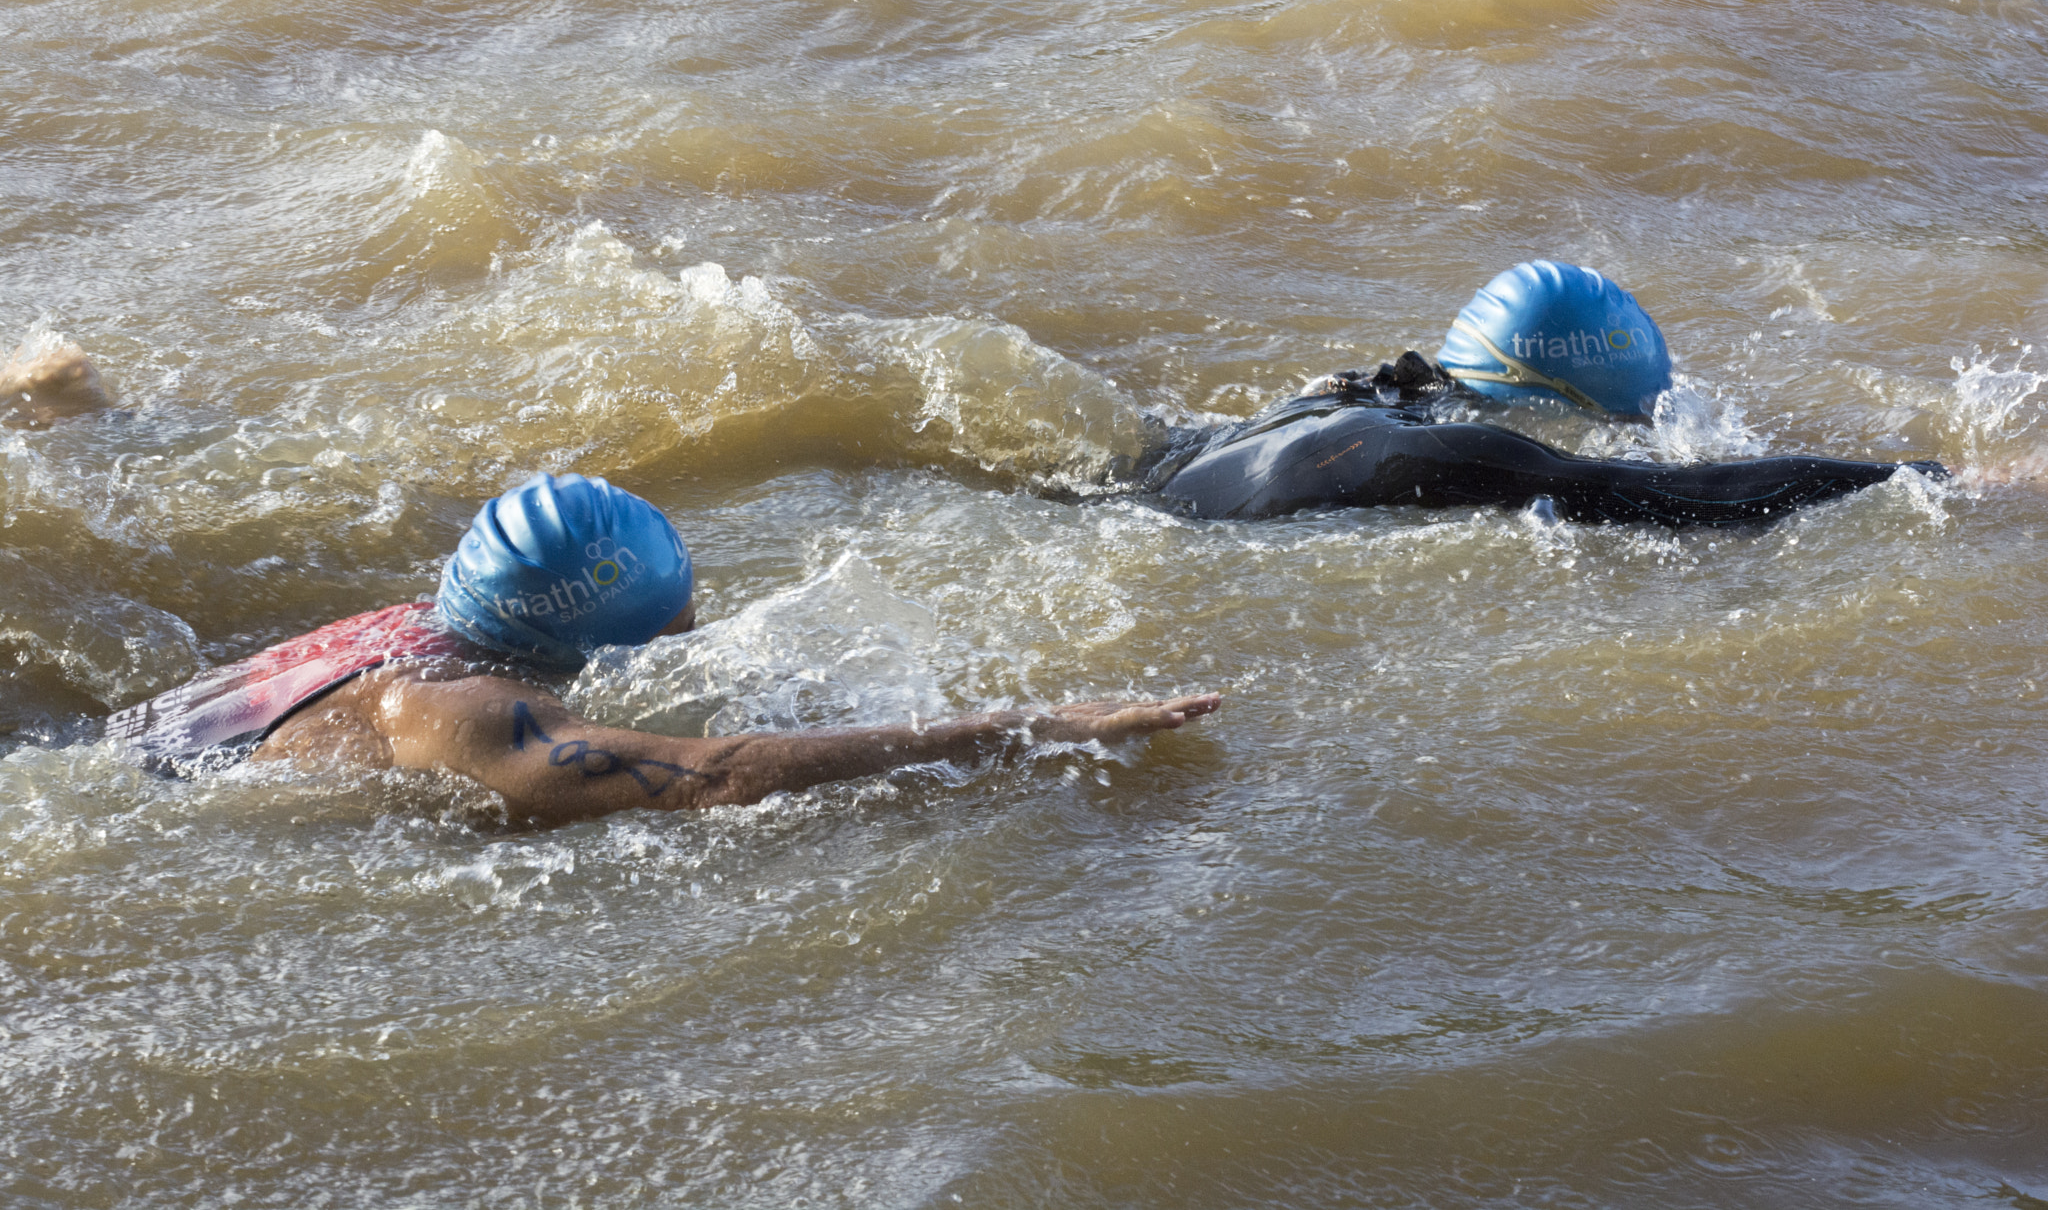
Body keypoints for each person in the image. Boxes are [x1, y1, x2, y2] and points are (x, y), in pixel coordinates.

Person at [92, 471, 1219, 821]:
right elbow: (712, 778)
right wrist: (1024, 727)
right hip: (130, 823)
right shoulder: (462, 710)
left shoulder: (413, 630)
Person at [1140, 261, 1947, 526]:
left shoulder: (1362, 395)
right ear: (1560, 393)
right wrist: (1921, 478)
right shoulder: (1458, 449)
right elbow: (1690, 496)